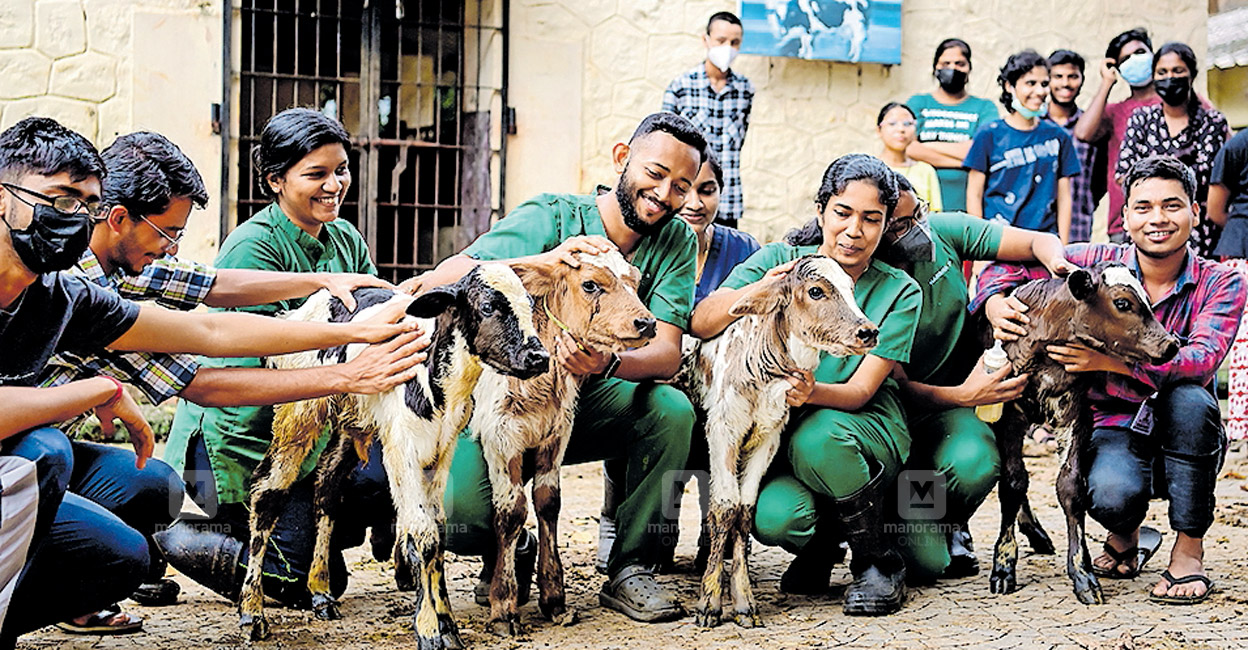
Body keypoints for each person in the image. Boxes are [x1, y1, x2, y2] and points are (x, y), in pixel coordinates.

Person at [0, 116, 414, 648]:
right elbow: (206, 381)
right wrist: (345, 371)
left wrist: (344, 320)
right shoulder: (82, 276)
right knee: (47, 450)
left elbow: (210, 316)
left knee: (134, 525)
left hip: (25, 459)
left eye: (86, 203)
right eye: (62, 202)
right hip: (48, 452)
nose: (76, 220)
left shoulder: (76, 291)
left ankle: (56, 591)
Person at [415, 111, 704, 623]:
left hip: (586, 397)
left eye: (681, 186)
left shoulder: (675, 240)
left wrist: (605, 360)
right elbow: (454, 274)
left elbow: (665, 349)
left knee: (670, 410)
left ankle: (631, 566)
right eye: (655, 174)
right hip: (501, 402)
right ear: (622, 159)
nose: (664, 194)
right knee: (463, 521)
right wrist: (552, 260)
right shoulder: (552, 217)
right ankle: (514, 548)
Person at [160, 108, 421, 609]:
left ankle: (322, 528)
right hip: (244, 439)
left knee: (398, 471)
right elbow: (240, 378)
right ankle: (169, 532)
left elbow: (377, 326)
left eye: (341, 169)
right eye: (316, 174)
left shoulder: (346, 239)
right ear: (275, 180)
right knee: (300, 580)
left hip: (318, 427)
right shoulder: (251, 249)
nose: (334, 185)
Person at [975, 155, 1246, 605]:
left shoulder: (1221, 281)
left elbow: (1200, 360)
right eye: (1143, 207)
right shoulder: (1096, 264)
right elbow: (1007, 266)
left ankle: (1188, 553)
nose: (1157, 219)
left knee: (1192, 401)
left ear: (1196, 211)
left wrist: (1110, 365)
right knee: (1109, 496)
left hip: (1185, 429)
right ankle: (1126, 534)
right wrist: (993, 303)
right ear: (1125, 215)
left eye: (1172, 206)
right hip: (1115, 423)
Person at [693, 154, 921, 616]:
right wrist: (761, 288)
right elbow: (702, 320)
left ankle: (877, 558)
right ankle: (821, 546)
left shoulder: (899, 289)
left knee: (822, 440)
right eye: (842, 213)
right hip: (782, 423)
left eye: (871, 219)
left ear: (885, 225)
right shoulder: (783, 262)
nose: (854, 230)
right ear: (821, 212)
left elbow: (859, 391)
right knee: (776, 517)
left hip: (857, 426)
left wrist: (802, 391)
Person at [880, 173, 1070, 582]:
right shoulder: (866, 274)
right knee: (920, 558)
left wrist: (1054, 265)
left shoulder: (942, 233)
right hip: (897, 409)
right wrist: (965, 395)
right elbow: (893, 386)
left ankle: (945, 523)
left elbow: (1036, 240)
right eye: (900, 224)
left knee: (976, 463)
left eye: (919, 215)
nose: (917, 229)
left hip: (953, 408)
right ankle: (874, 530)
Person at [597, 152, 760, 574]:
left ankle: (715, 531)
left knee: (724, 421)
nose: (694, 202)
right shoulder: (651, 241)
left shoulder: (744, 251)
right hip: (654, 371)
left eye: (707, 191)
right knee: (647, 402)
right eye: (688, 190)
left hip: (718, 379)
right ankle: (623, 520)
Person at [1117, 42, 1229, 258]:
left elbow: (1211, 180)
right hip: (1148, 230)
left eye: (1177, 71)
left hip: (1198, 231)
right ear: (1153, 77)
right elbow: (1125, 175)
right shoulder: (1142, 119)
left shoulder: (1212, 122)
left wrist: (1152, 177)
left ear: (1191, 75)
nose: (1170, 77)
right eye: (1162, 72)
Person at [964, 50, 1080, 243]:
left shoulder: (1059, 136)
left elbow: (1065, 198)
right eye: (1030, 83)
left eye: (1044, 84)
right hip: (999, 242)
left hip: (1044, 242)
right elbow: (974, 195)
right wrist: (978, 253)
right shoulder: (989, 134)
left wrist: (1063, 248)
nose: (1040, 91)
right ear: (1009, 86)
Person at [662, 11, 754, 228]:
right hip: (686, 199)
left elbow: (740, 139)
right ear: (706, 40)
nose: (727, 48)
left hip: (726, 198)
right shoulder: (681, 87)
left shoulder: (745, 90)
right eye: (721, 40)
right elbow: (665, 144)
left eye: (734, 43)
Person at [1073, 28, 1160, 242]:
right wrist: (1106, 83)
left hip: (1169, 219)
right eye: (1126, 59)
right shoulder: (1114, 112)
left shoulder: (1178, 105)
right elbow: (1083, 132)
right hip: (1124, 225)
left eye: (1139, 53)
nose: (1135, 60)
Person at [906, 38, 1000, 212]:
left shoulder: (985, 107)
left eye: (960, 63)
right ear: (935, 67)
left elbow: (981, 150)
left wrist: (925, 147)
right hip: (921, 208)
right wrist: (967, 162)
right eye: (946, 63)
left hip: (969, 207)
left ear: (969, 68)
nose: (953, 68)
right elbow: (909, 148)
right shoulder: (919, 103)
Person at [1208, 129, 1248, 441]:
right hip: (1241, 248)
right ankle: (1240, 430)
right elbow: (1215, 209)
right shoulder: (1238, 145)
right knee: (1244, 348)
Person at [1045, 49, 1106, 244]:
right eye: (1058, 76)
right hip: (1034, 228)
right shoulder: (1034, 124)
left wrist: (1085, 204)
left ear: (1082, 79)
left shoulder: (1091, 127)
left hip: (1077, 227)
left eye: (1072, 76)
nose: (1065, 83)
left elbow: (1099, 180)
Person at [877, 102, 944, 210]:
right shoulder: (871, 169)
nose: (901, 129)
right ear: (879, 130)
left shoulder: (926, 170)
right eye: (892, 123)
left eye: (907, 124)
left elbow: (935, 214)